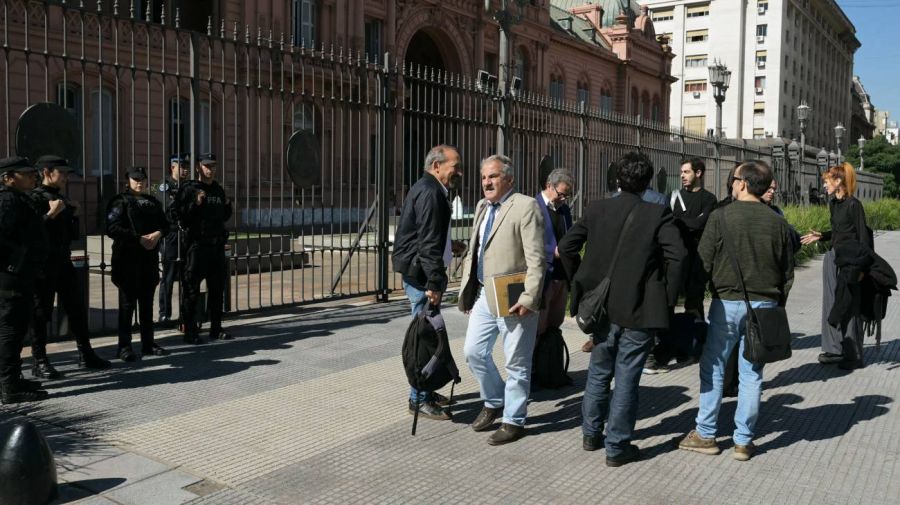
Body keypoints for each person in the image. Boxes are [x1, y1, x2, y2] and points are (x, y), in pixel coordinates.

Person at [559, 151, 685, 467]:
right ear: (647, 183)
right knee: (627, 376)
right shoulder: (658, 214)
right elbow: (679, 256)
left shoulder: (596, 208)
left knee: (599, 371)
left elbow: (565, 247)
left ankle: (590, 434)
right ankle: (617, 447)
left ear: (617, 179)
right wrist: (667, 295)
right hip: (641, 308)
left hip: (601, 308)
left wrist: (579, 279)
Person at [678, 160, 794, 462]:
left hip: (726, 303)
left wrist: (693, 303)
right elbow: (787, 272)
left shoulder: (720, 217)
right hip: (765, 305)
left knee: (713, 367)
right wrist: (776, 305)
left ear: (743, 184)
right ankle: (743, 441)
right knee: (752, 372)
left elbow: (703, 262)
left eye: (734, 179)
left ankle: (705, 434)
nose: (731, 183)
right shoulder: (778, 222)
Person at [459, 154, 545, 446]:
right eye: (484, 177)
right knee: (473, 351)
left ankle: (514, 420)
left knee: (516, 362)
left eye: (493, 176)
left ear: (509, 178)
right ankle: (494, 400)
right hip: (485, 293)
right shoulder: (483, 206)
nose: (486, 182)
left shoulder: (524, 206)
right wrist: (469, 291)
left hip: (514, 296)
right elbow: (476, 252)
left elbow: (537, 259)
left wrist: (529, 297)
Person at [392, 144, 461, 421]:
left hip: (421, 271)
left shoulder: (429, 188)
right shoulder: (431, 192)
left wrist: (450, 245)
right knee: (423, 338)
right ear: (437, 166)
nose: (459, 171)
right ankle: (418, 397)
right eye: (454, 165)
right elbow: (427, 243)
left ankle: (425, 391)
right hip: (422, 275)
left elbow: (429, 235)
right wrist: (434, 281)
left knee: (429, 334)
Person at [28, 155, 110, 379]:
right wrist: (51, 214)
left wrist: (74, 215)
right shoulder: (33, 198)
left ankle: (86, 354)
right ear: (46, 172)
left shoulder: (60, 197)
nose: (65, 177)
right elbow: (31, 234)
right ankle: (39, 361)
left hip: (63, 261)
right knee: (41, 313)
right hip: (43, 265)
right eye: (61, 172)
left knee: (76, 308)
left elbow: (70, 236)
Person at [645, 158, 717, 374]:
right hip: (674, 260)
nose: (683, 176)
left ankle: (695, 345)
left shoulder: (709, 199)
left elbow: (699, 225)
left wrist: (679, 221)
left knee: (694, 304)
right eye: (682, 172)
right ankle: (666, 347)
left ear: (699, 173)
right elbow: (668, 222)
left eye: (687, 172)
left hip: (697, 260)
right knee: (668, 303)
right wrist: (684, 222)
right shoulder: (673, 197)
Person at [801, 163, 872, 370]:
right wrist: (822, 236)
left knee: (849, 305)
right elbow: (840, 231)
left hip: (851, 262)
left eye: (827, 181)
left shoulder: (854, 205)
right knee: (831, 303)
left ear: (839, 181)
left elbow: (862, 238)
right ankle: (833, 349)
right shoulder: (834, 204)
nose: (824, 185)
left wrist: (861, 270)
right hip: (833, 258)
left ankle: (853, 354)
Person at [106, 166, 170, 361]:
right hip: (127, 260)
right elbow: (112, 228)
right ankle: (124, 347)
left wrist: (158, 234)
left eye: (142, 179)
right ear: (128, 181)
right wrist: (138, 238)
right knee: (127, 306)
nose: (139, 182)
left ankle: (148, 344)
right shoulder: (119, 202)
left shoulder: (151, 202)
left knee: (146, 305)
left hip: (148, 260)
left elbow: (166, 224)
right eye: (135, 179)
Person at [0, 156, 49, 404]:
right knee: (10, 330)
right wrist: (15, 261)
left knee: (17, 329)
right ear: (8, 178)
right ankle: (9, 387)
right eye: (26, 173)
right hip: (11, 278)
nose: (33, 176)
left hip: (20, 275)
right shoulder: (7, 200)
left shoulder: (19, 198)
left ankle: (13, 378)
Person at [177, 153, 233, 344]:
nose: (210, 170)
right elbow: (179, 215)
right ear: (198, 168)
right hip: (197, 246)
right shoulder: (190, 188)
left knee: (217, 290)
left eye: (213, 166)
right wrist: (195, 203)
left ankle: (216, 329)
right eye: (207, 166)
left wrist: (228, 205)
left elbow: (223, 217)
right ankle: (190, 330)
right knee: (192, 290)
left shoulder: (218, 190)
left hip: (216, 246)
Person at [536, 168, 573, 337]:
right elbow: (528, 242)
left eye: (567, 195)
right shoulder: (533, 207)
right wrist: (552, 252)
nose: (564, 199)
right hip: (543, 276)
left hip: (561, 276)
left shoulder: (564, 210)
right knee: (538, 327)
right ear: (549, 186)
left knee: (554, 325)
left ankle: (550, 360)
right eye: (561, 194)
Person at [158, 154, 188, 324]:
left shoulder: (188, 185)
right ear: (173, 167)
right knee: (168, 276)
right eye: (181, 166)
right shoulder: (165, 185)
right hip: (170, 235)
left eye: (186, 166)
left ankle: (186, 312)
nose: (185, 169)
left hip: (185, 234)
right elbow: (168, 207)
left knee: (187, 275)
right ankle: (164, 313)